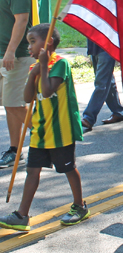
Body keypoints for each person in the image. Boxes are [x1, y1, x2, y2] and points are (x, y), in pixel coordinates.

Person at [0, 24, 87, 231]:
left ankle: (80, 206)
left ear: (47, 42)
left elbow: (47, 92)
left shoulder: (60, 64)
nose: (28, 47)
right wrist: (33, 74)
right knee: (32, 170)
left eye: (32, 41)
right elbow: (27, 97)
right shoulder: (34, 67)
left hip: (61, 131)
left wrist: (44, 67)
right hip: (40, 130)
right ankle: (22, 215)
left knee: (67, 168)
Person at [0, 0, 33, 168]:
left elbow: (22, 20)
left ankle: (48, 136)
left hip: (18, 56)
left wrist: (10, 51)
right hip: (7, 55)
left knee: (12, 104)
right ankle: (14, 149)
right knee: (9, 104)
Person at [80, 40, 123, 132]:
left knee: (101, 84)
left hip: (107, 45)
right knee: (108, 81)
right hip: (95, 45)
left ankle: (89, 117)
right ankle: (118, 111)